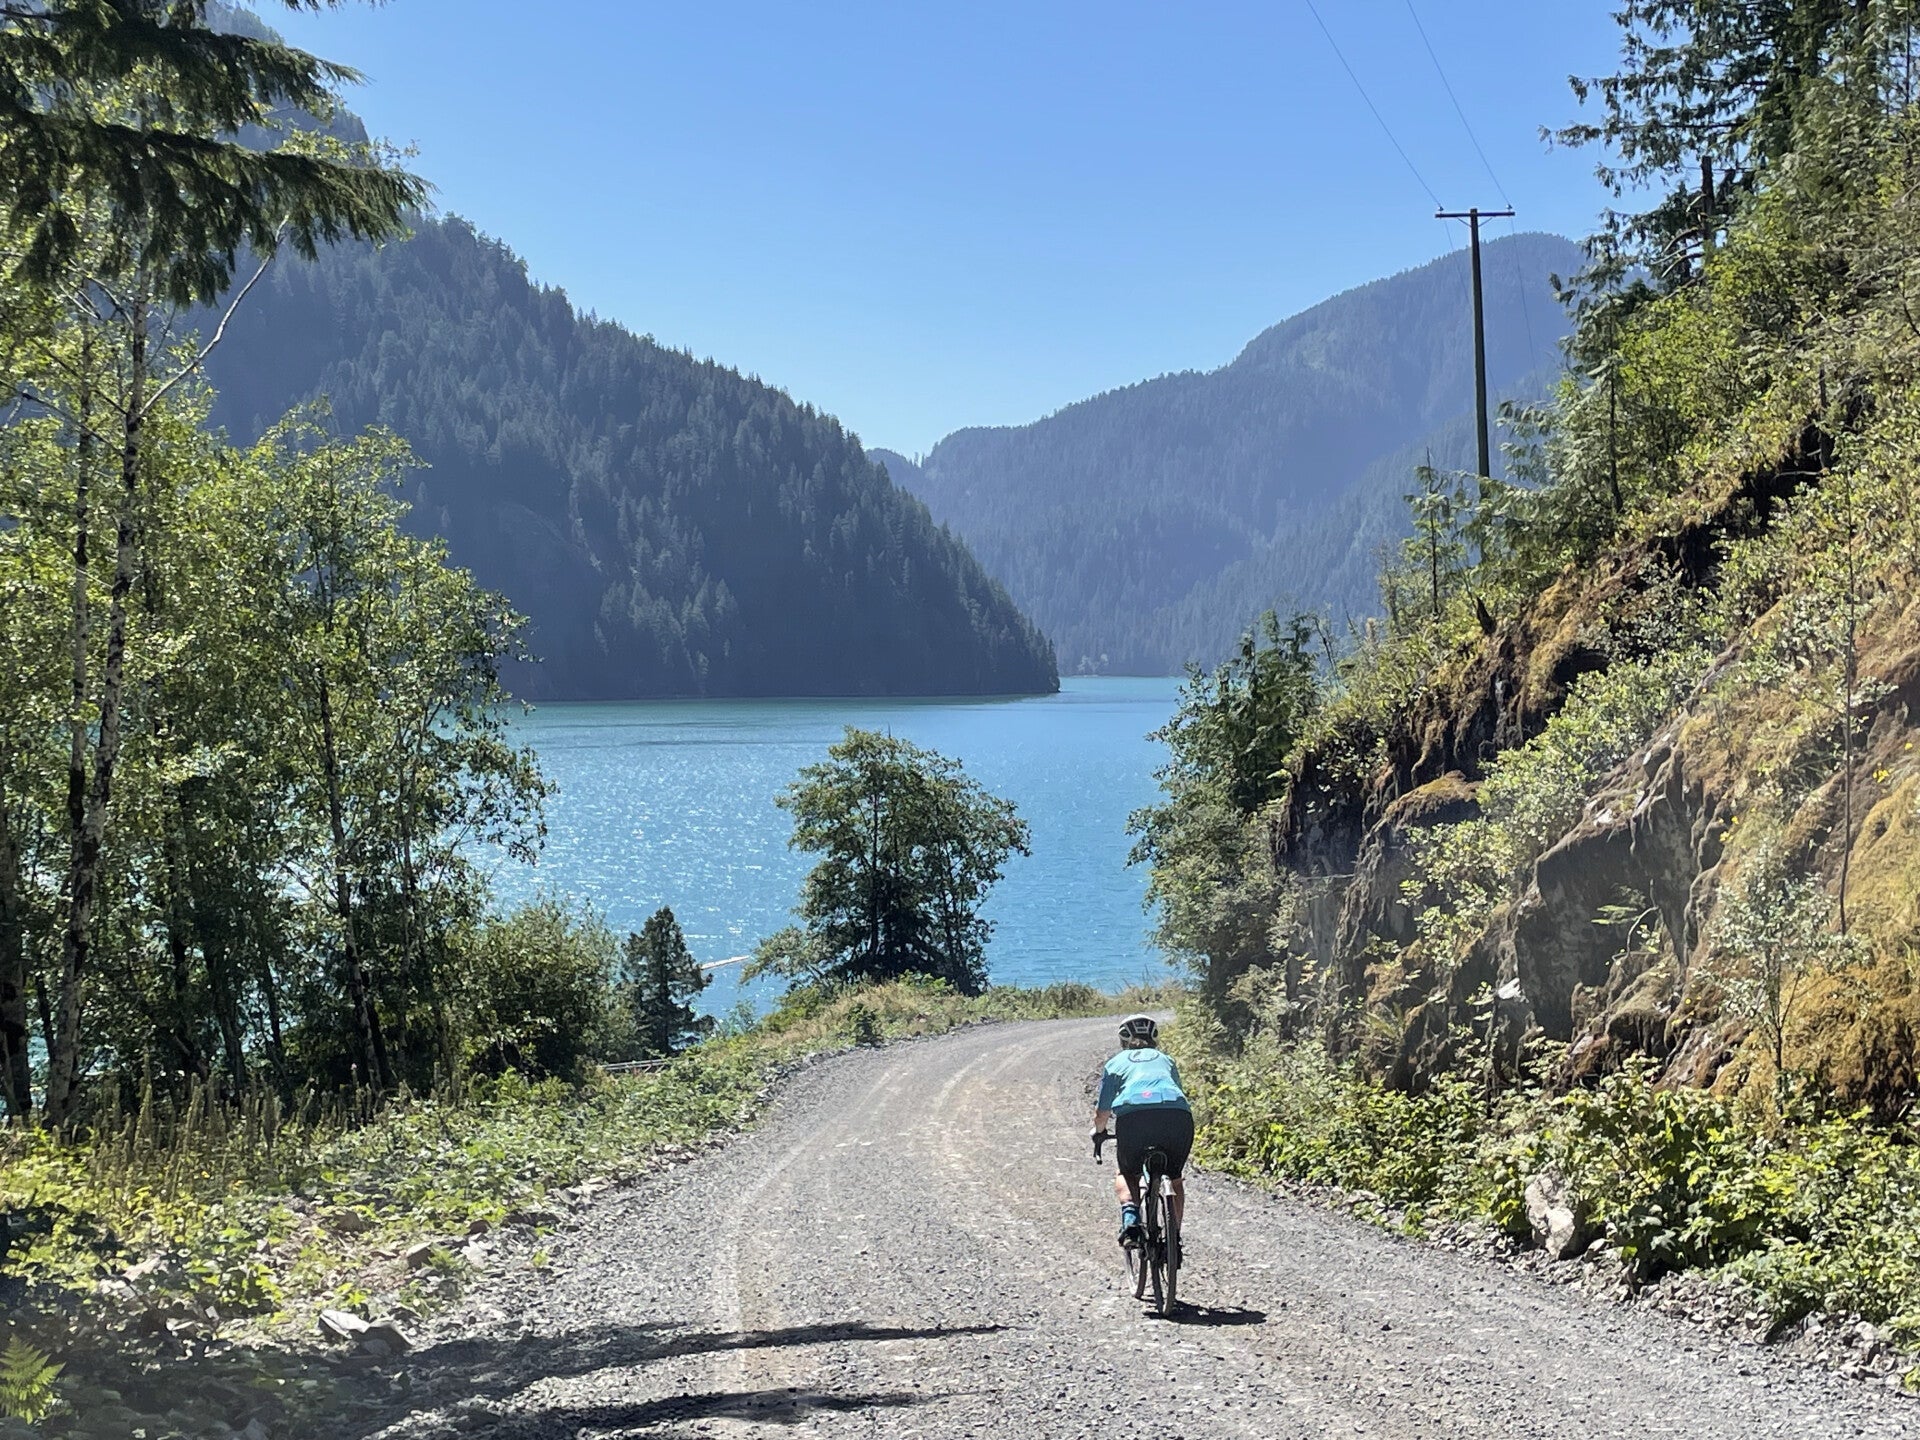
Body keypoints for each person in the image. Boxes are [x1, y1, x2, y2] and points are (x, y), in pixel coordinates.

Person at [1092, 1013, 1192, 1247]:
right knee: (1175, 1180)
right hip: (1177, 1116)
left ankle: (1131, 1222)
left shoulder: (1115, 1063)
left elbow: (1102, 1112)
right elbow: (1178, 1091)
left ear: (1123, 1039)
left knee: (1127, 1173)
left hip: (1134, 1118)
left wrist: (1098, 1132)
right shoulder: (1166, 1060)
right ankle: (1173, 1239)